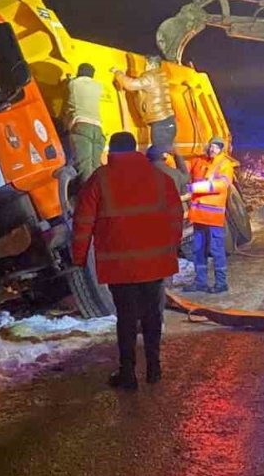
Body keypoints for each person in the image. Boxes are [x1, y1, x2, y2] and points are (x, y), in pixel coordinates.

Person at [72, 130, 184, 390]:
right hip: (154, 264)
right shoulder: (159, 178)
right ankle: (154, 368)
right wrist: (171, 248)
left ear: (111, 151)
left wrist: (78, 258)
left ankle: (127, 373)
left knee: (127, 318)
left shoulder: (99, 179)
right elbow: (176, 215)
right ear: (135, 150)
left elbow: (83, 222)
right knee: (153, 315)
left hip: (119, 265)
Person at [185, 137, 235, 295]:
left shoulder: (224, 164)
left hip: (213, 216)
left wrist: (195, 187)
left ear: (221, 149)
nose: (212, 149)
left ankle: (221, 283)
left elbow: (222, 185)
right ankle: (201, 282)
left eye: (216, 147)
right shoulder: (201, 161)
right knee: (198, 250)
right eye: (211, 146)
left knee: (216, 249)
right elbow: (184, 168)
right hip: (199, 215)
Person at [111, 56, 182, 166]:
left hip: (160, 124)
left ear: (151, 65)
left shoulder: (151, 76)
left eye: (146, 64)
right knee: (164, 155)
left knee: (158, 158)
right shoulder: (161, 76)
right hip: (168, 122)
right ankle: (170, 179)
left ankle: (162, 180)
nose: (145, 66)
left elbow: (130, 85)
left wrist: (118, 73)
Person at [64, 61, 104, 183]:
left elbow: (71, 86)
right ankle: (99, 196)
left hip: (82, 126)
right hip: (97, 128)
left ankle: (88, 197)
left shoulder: (73, 84)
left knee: (84, 167)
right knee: (96, 167)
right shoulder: (99, 86)